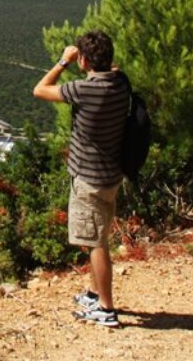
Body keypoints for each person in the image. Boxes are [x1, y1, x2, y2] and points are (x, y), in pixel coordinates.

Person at [33, 30, 130, 328]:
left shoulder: (84, 90)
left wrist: (64, 60)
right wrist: (92, 61)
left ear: (84, 61)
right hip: (110, 175)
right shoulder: (120, 82)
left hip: (89, 179)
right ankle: (93, 292)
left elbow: (40, 89)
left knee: (96, 242)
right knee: (95, 236)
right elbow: (112, 69)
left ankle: (106, 308)